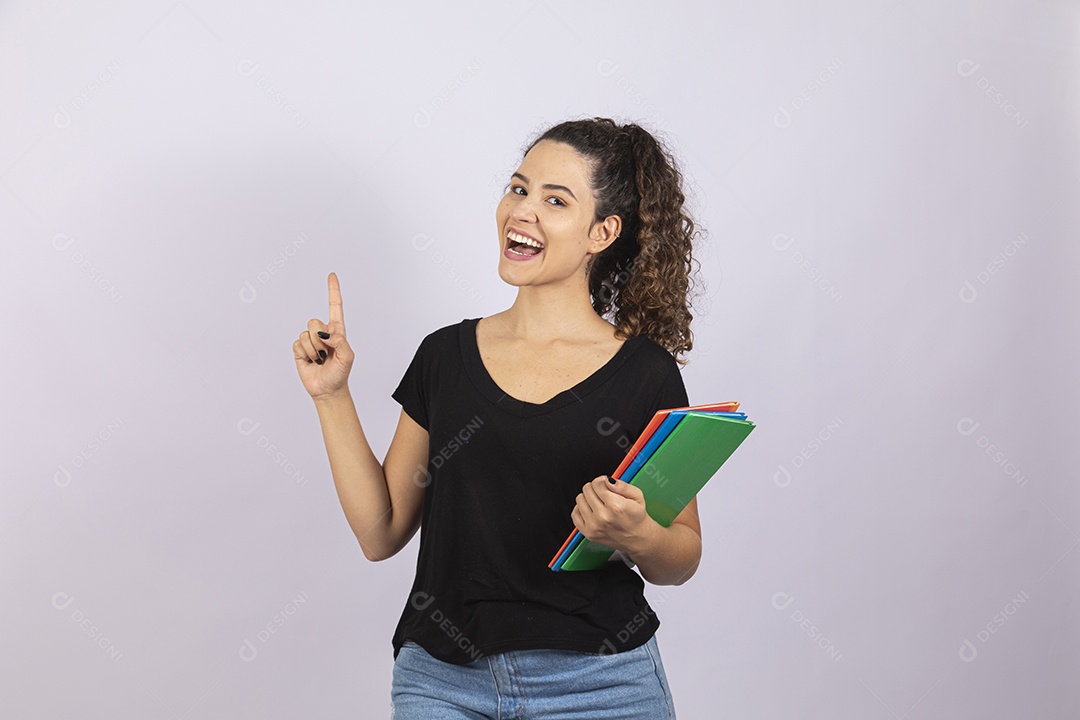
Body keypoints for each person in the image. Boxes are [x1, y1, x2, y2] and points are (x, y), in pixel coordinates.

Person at [293, 117, 705, 719]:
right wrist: (331, 396)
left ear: (602, 232)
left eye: (555, 200)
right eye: (518, 188)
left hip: (601, 684)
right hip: (441, 682)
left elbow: (683, 556)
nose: (523, 210)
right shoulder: (445, 357)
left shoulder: (645, 374)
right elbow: (381, 532)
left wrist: (637, 534)